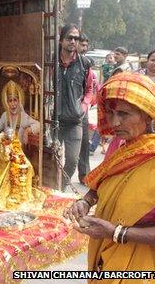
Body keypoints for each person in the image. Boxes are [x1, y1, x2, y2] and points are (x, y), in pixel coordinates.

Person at [65, 72, 155, 276]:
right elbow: (102, 183)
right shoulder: (119, 145)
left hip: (149, 266)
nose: (114, 123)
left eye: (124, 114)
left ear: (148, 114)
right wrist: (85, 201)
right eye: (111, 113)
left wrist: (116, 233)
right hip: (108, 255)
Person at [57, 23, 93, 188]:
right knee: (51, 157)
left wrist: (84, 107)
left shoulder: (84, 64)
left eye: (76, 38)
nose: (73, 41)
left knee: (72, 159)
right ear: (61, 39)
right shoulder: (51, 62)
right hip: (53, 121)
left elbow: (89, 89)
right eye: (69, 38)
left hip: (74, 121)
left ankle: (62, 184)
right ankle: (51, 185)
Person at [0, 80, 40, 161]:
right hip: (5, 153)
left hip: (17, 154)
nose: (13, 104)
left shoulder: (23, 116)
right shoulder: (5, 115)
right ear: (7, 103)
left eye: (15, 100)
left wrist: (27, 130)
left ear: (19, 101)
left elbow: (39, 125)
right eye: (10, 101)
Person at [77, 33, 98, 184]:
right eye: (82, 45)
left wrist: (85, 104)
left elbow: (90, 88)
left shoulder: (86, 64)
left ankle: (84, 174)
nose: (84, 48)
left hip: (81, 109)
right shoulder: (61, 62)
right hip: (62, 109)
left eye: (86, 45)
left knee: (84, 142)